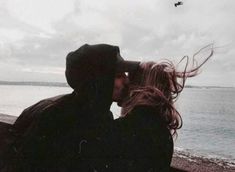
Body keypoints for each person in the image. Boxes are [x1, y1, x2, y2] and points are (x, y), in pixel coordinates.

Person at [0, 44, 140, 172]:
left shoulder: (93, 113)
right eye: (119, 75)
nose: (127, 80)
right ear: (100, 81)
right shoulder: (57, 118)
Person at [109, 45, 214, 171]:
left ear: (140, 86)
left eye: (131, 79)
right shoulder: (161, 129)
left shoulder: (128, 128)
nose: (127, 83)